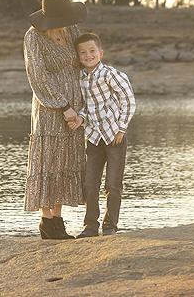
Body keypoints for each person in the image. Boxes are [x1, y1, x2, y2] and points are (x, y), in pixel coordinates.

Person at [24, 0, 88, 240]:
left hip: (75, 108)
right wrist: (63, 106)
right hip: (51, 107)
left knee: (66, 161)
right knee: (47, 161)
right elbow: (38, 76)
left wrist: (79, 107)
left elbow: (84, 57)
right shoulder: (33, 37)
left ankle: (58, 221)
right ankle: (46, 221)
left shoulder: (70, 30)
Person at [72, 32, 135, 238]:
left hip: (114, 136)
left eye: (91, 51)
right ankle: (90, 226)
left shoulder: (111, 74)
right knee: (90, 183)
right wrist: (80, 118)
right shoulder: (80, 78)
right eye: (83, 52)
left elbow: (128, 101)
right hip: (93, 137)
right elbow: (85, 106)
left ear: (100, 53)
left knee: (112, 184)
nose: (88, 55)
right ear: (79, 56)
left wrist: (121, 128)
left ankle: (110, 226)